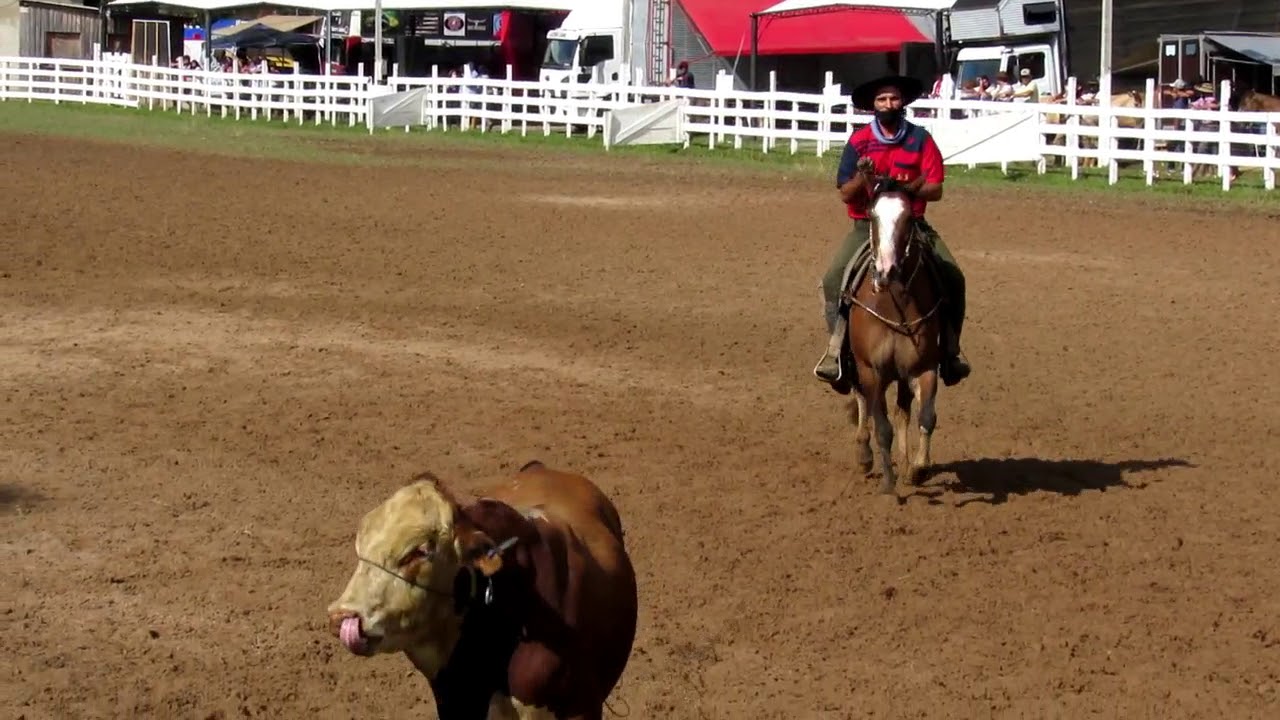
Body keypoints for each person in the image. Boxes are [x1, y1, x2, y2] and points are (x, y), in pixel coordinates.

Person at [813, 74, 971, 388]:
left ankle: (950, 350)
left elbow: (936, 188)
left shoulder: (920, 139)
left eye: (894, 99)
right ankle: (837, 351)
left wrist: (904, 187)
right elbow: (846, 192)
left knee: (954, 276)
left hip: (911, 223)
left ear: (903, 103)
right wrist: (863, 176)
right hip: (866, 225)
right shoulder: (858, 142)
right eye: (882, 100)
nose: (889, 104)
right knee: (833, 279)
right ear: (873, 106)